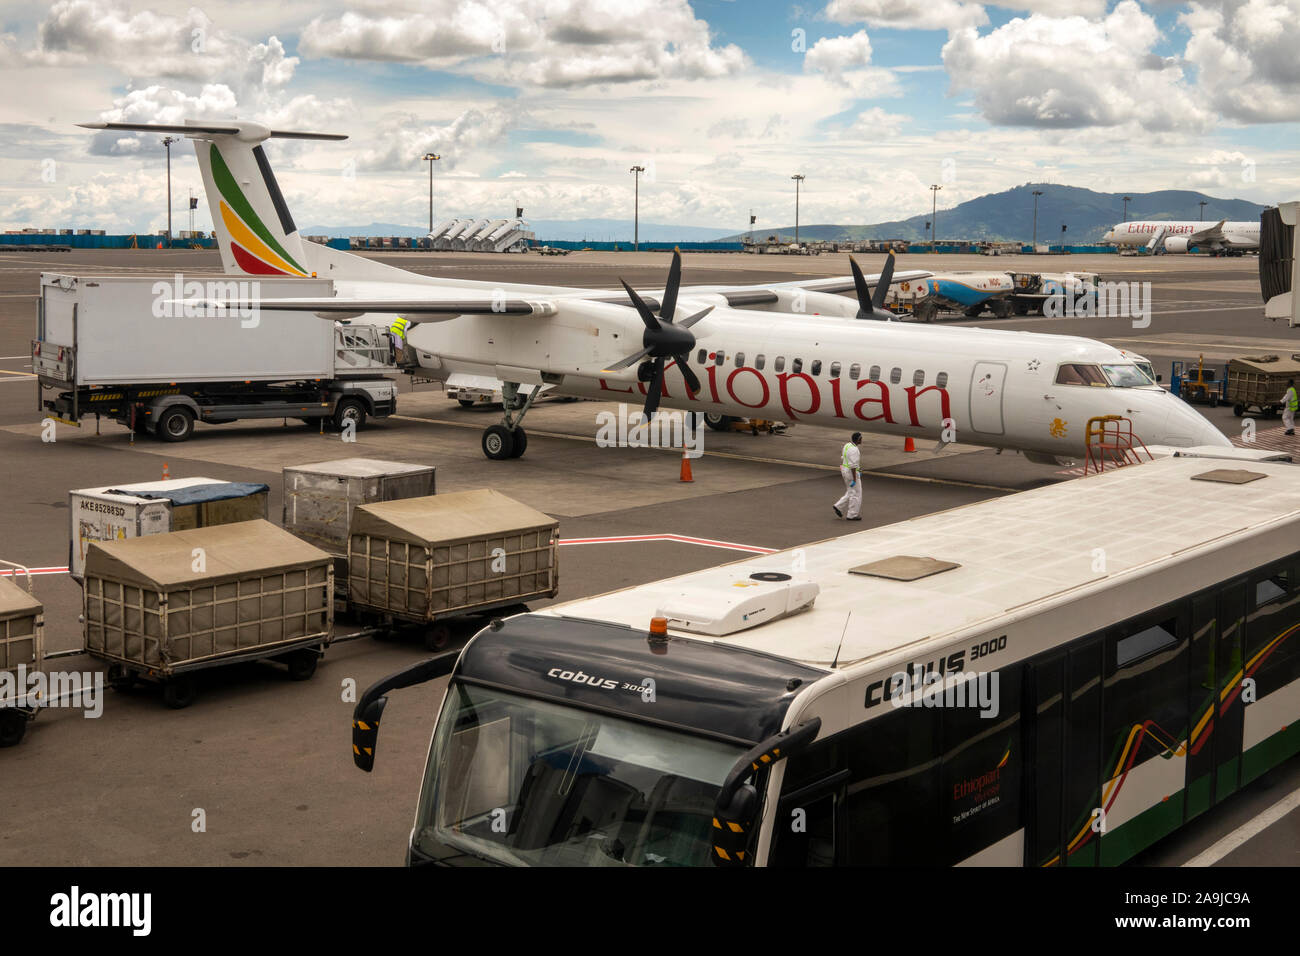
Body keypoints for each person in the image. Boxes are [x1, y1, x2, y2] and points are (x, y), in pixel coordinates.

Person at [833, 432, 862, 521]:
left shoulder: (847, 445)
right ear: (858, 439)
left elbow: (844, 457)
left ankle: (838, 506)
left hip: (844, 469)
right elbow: (853, 465)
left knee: (850, 491)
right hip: (850, 472)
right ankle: (852, 514)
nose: (862, 440)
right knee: (856, 494)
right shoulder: (854, 450)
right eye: (861, 438)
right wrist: (854, 478)